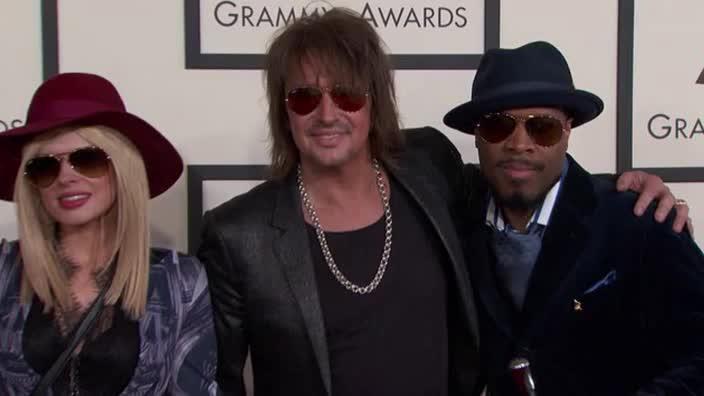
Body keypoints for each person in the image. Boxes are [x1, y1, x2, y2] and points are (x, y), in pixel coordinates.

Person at [199, 9, 687, 396]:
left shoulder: (429, 169)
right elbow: (211, 383)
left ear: (374, 101)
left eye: (347, 95)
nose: (328, 114)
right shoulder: (237, 234)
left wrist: (625, 186)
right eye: (305, 98)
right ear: (284, 110)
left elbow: (529, 175)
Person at [443, 41, 704, 395]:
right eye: (497, 126)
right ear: (476, 135)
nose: (520, 143)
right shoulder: (450, 219)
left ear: (567, 130)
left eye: (542, 128)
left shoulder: (640, 218)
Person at [0, 73, 218, 395]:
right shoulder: (5, 271)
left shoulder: (179, 281)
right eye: (44, 167)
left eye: (87, 160)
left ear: (122, 170)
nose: (65, 178)